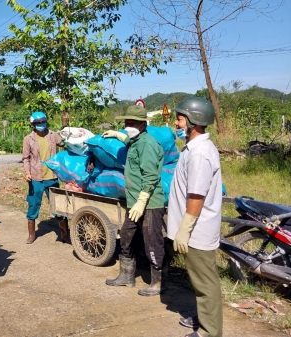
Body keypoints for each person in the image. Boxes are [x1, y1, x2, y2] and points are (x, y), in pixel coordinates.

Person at [167, 97, 222, 337]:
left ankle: (210, 332)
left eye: (179, 119)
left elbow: (196, 197)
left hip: (198, 231)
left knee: (205, 284)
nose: (176, 124)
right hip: (193, 229)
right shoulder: (192, 148)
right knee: (199, 280)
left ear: (194, 122)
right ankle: (204, 318)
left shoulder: (200, 153)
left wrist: (185, 229)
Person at [103, 105, 168, 296]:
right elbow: (129, 141)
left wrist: (142, 201)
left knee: (152, 242)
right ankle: (126, 276)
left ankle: (159, 282)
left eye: (131, 122)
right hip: (134, 203)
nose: (127, 125)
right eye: (126, 122)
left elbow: (150, 176)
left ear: (142, 124)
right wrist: (117, 134)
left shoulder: (148, 144)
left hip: (149, 203)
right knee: (126, 236)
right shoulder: (135, 140)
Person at [21, 111, 68, 244]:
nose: (41, 125)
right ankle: (31, 234)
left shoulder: (53, 135)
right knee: (34, 204)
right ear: (33, 124)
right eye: (38, 123)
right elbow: (26, 158)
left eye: (43, 122)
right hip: (36, 178)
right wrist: (27, 172)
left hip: (52, 177)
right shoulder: (28, 139)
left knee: (58, 205)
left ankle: (65, 234)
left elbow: (65, 144)